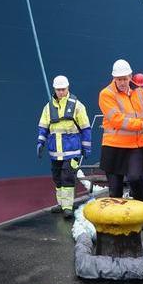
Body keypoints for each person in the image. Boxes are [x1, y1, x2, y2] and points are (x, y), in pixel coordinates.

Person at [37, 75, 92, 219]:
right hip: (55, 152)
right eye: (58, 90)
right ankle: (61, 204)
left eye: (63, 89)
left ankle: (68, 206)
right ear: (54, 89)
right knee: (57, 178)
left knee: (67, 177)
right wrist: (40, 142)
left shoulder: (77, 106)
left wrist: (86, 147)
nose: (61, 92)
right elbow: (43, 127)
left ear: (68, 88)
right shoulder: (48, 107)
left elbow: (85, 128)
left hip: (72, 151)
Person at [98, 59, 143, 202]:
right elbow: (117, 119)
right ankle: (117, 223)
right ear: (114, 78)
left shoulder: (139, 92)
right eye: (119, 79)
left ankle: (142, 211)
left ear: (130, 76)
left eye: (125, 79)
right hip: (113, 147)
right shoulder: (106, 94)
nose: (122, 82)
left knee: (135, 178)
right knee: (115, 190)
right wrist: (142, 124)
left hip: (135, 146)